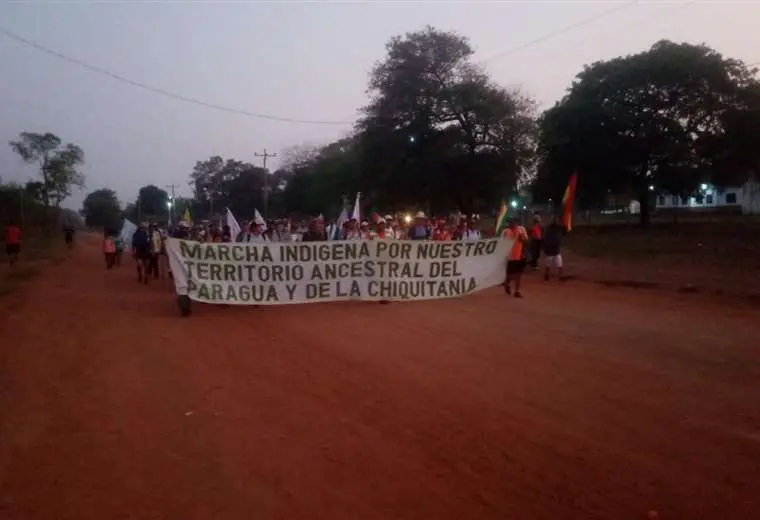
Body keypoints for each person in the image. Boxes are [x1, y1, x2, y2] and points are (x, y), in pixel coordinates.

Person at [502, 219, 529, 298]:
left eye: (512, 223)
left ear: (516, 223)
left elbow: (526, 241)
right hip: (509, 257)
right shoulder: (506, 231)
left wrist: (522, 239)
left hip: (518, 256)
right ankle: (506, 284)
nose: (510, 224)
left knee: (518, 275)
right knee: (510, 275)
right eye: (509, 223)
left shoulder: (521, 230)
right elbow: (501, 243)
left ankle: (517, 291)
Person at [542, 215, 565, 281]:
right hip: (550, 249)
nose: (556, 221)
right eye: (555, 220)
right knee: (549, 264)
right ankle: (547, 275)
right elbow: (545, 238)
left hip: (555, 249)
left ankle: (560, 277)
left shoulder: (556, 228)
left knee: (559, 264)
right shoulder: (550, 229)